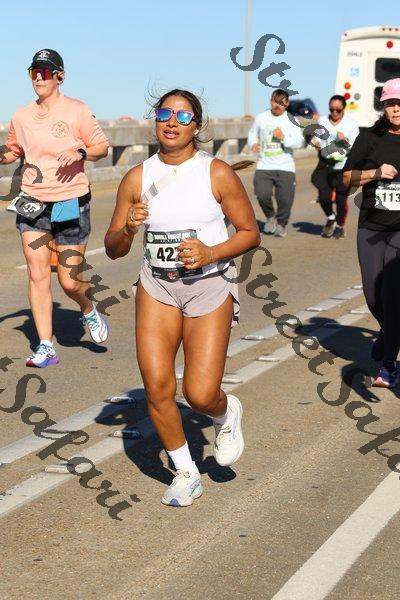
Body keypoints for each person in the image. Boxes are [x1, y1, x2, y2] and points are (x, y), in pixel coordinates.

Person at [105, 89, 260, 506]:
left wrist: (210, 252)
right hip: (157, 287)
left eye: (183, 116)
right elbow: (113, 248)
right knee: (157, 387)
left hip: (209, 286)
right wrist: (128, 228)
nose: (172, 122)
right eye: (164, 113)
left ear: (197, 125)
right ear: (155, 120)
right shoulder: (136, 178)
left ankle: (226, 413)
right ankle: (186, 472)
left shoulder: (217, 173)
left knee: (200, 394)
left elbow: (250, 233)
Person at [0, 49, 109, 367]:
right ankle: (46, 345)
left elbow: (102, 147)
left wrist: (80, 152)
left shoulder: (77, 110)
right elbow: (13, 151)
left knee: (69, 280)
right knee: (37, 274)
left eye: (45, 72)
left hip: (69, 200)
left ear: (60, 77)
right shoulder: (21, 116)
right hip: (32, 201)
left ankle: (88, 309)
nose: (38, 77)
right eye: (34, 71)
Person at [343, 78, 400, 388]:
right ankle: (388, 330)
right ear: (383, 106)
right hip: (371, 227)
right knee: (372, 294)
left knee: (392, 294)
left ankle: (389, 363)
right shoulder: (369, 138)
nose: (396, 108)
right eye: (391, 103)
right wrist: (376, 173)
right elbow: (347, 178)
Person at [247, 89, 303, 238]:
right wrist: (253, 143)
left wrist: (283, 137)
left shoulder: (292, 120)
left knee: (285, 200)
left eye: (281, 103)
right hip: (264, 165)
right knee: (262, 194)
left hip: (285, 166)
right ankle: (270, 216)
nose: (277, 106)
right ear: (270, 101)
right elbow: (252, 133)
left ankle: (281, 224)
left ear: (287, 104)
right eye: (275, 102)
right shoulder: (261, 118)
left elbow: (299, 142)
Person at [311, 95, 359, 238]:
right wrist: (316, 142)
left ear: (343, 109)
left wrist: (345, 141)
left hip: (343, 167)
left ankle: (339, 226)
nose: (334, 113)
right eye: (332, 109)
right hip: (326, 165)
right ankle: (331, 217)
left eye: (338, 110)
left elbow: (357, 148)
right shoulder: (323, 121)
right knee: (324, 197)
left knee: (340, 201)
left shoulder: (351, 124)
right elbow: (317, 138)